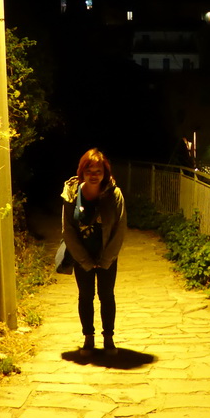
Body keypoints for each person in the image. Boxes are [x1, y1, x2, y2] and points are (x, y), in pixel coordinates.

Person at [60, 148, 127, 353]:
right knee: (85, 296)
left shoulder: (114, 193)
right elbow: (67, 229)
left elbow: (120, 228)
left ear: (105, 172)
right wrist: (84, 260)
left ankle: (109, 338)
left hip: (107, 254)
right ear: (82, 172)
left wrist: (106, 259)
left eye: (98, 171)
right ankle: (88, 337)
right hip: (82, 256)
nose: (94, 175)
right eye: (89, 171)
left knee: (107, 295)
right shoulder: (72, 193)